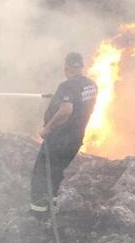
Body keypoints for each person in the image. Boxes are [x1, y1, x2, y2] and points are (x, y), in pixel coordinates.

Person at [30, 52, 98, 217]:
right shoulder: (91, 85)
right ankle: (51, 208)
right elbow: (80, 102)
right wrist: (57, 98)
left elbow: (66, 110)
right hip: (75, 140)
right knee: (56, 173)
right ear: (81, 66)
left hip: (59, 139)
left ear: (66, 67)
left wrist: (47, 129)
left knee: (41, 174)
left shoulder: (66, 86)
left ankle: (38, 215)